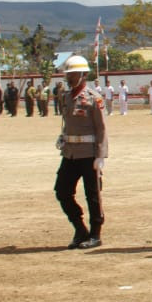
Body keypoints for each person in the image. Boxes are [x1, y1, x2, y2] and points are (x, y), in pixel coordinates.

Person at [53, 55, 108, 249]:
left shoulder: (94, 98)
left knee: (93, 195)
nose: (70, 77)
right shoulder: (65, 97)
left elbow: (101, 128)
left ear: (83, 75)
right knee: (62, 191)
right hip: (70, 153)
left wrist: (101, 156)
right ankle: (79, 228)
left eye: (74, 74)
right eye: (68, 74)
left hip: (89, 153)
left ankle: (95, 234)